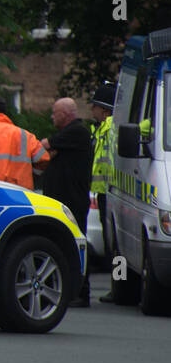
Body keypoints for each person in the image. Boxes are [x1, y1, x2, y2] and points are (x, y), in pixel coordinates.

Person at [40, 97, 93, 307]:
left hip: (73, 201)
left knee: (75, 243)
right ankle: (72, 290)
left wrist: (49, 147)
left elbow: (45, 145)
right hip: (65, 201)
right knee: (65, 244)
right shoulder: (68, 135)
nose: (52, 116)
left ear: (65, 114)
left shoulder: (77, 131)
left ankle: (82, 292)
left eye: (54, 113)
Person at [88, 83, 118, 302]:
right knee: (112, 245)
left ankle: (120, 288)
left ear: (106, 111)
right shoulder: (98, 129)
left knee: (115, 247)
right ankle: (118, 287)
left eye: (95, 106)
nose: (92, 110)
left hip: (113, 193)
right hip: (103, 193)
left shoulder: (112, 127)